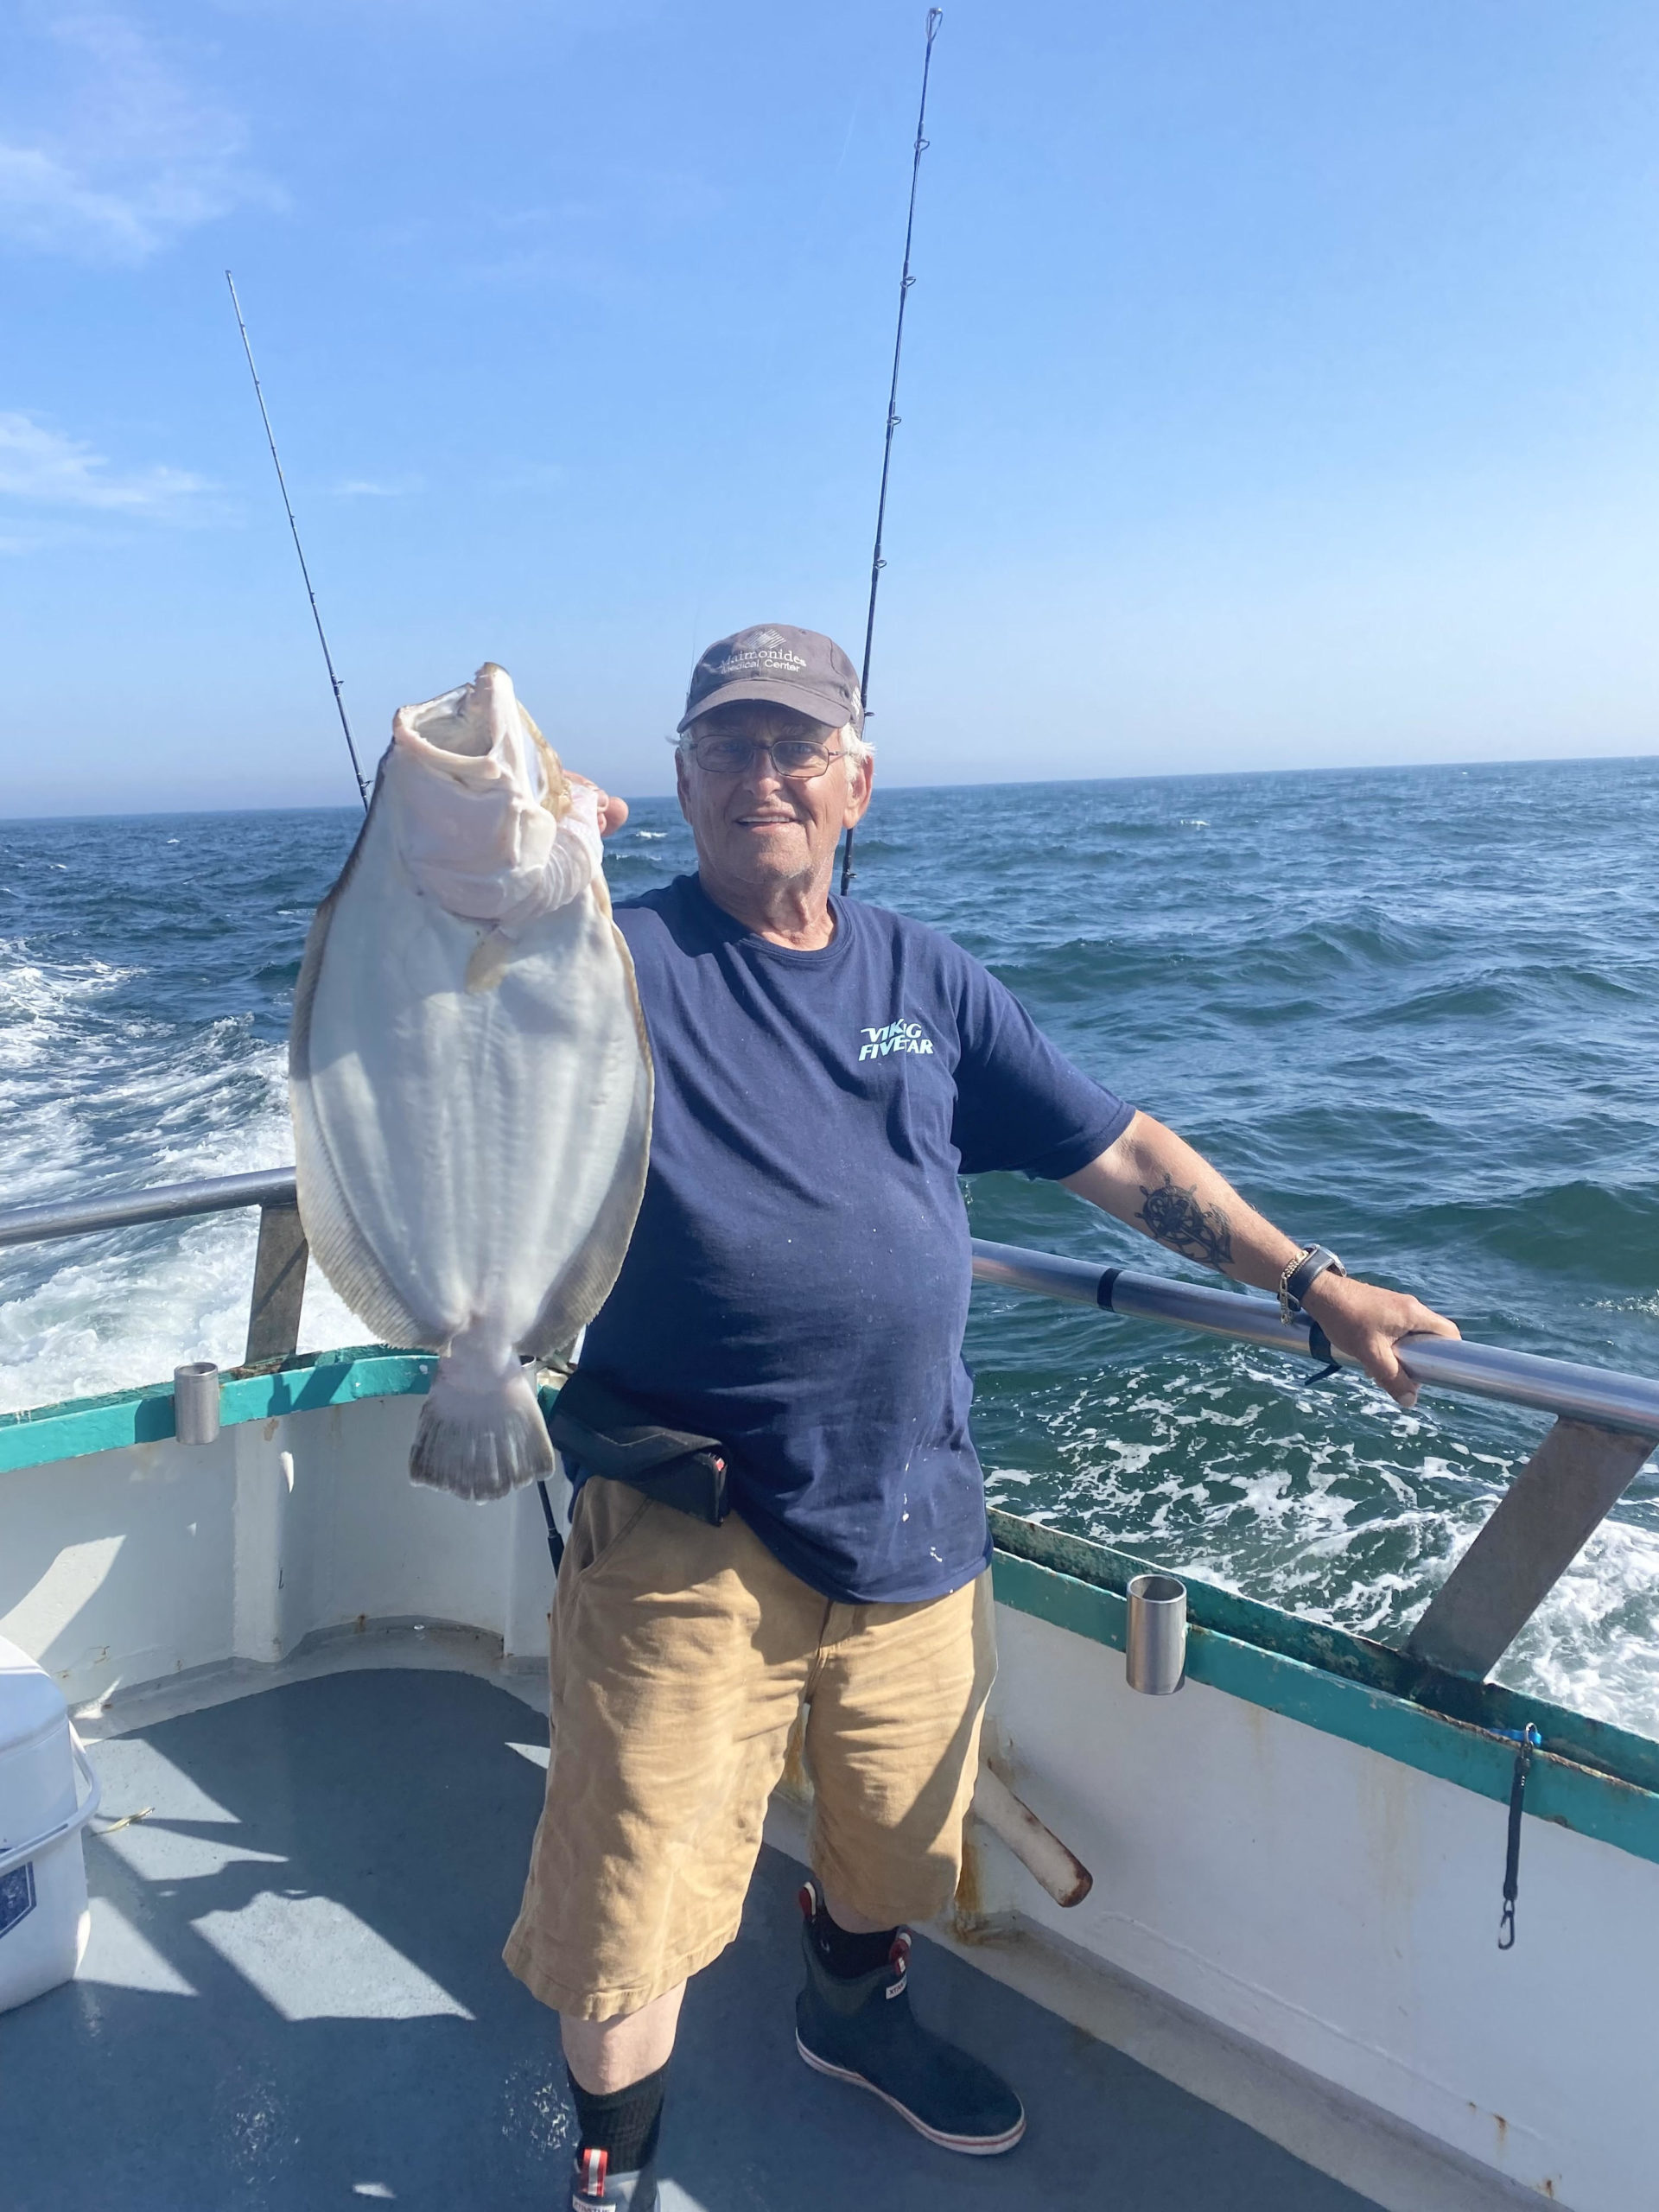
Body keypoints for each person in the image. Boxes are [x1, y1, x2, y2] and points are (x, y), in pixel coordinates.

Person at [504, 624, 1459, 2210]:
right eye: (728, 748)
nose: (764, 777)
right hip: (689, 1524)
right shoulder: (606, 958)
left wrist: (1313, 1281)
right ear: (679, 780)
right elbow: (445, 987)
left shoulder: (923, 975)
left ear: (857, 782)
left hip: (913, 1513)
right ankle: (616, 2173)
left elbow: (1125, 1156)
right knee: (630, 1914)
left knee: (895, 1849)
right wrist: (511, 849)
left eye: (798, 747)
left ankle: (848, 2015)